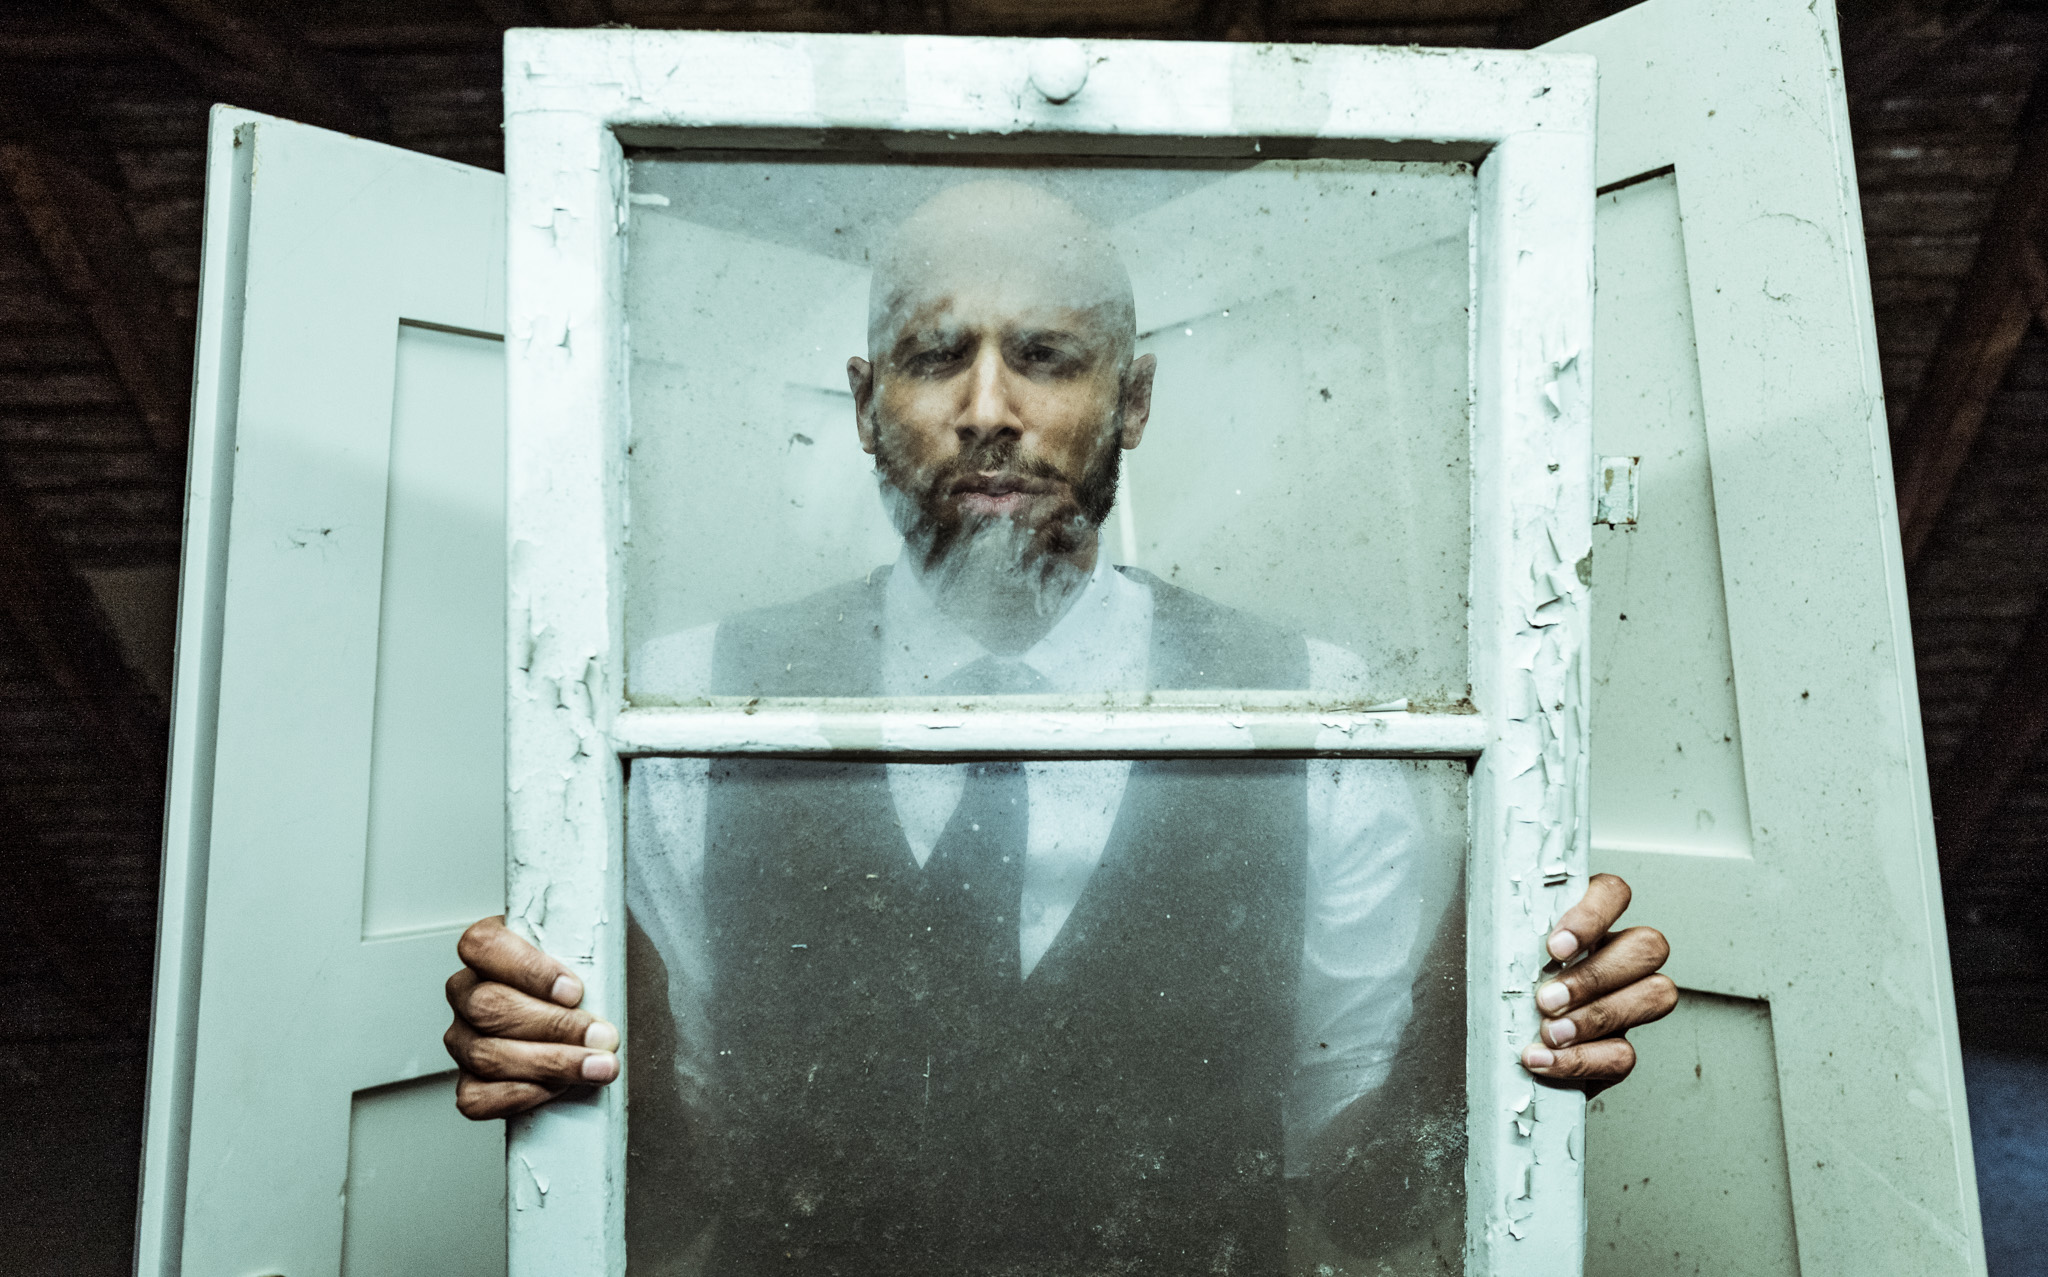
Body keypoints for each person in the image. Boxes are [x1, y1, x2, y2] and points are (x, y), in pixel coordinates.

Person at [444, 180, 1677, 1273]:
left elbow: (1362, 1202)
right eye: (935, 355)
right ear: (866, 404)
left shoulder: (1315, 708)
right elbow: (668, 1193)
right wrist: (548, 1068)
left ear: (1131, 398)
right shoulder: (685, 709)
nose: (988, 408)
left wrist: (1507, 1012)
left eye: (1044, 356)